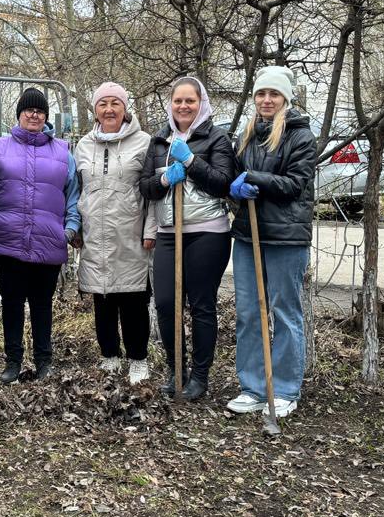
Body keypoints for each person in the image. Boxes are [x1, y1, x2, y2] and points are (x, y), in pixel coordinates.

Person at [139, 75, 236, 401]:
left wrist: (191, 161)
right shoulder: (159, 141)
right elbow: (145, 187)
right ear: (171, 104)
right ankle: (176, 369)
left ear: (201, 103)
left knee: (201, 305)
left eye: (190, 101)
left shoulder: (217, 138)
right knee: (166, 304)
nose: (183, 106)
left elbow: (222, 183)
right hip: (169, 232)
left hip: (207, 232)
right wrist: (165, 179)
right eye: (178, 101)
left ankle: (199, 376)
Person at [226, 67, 316, 418]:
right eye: (261, 94)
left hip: (286, 238)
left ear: (285, 99)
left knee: (284, 312)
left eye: (274, 94)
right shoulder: (247, 135)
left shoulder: (300, 136)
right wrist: (235, 188)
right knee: (249, 313)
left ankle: (285, 390)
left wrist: (253, 178)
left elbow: (294, 184)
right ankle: (252, 387)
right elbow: (233, 176)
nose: (266, 100)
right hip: (248, 235)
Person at [0, 87, 81, 383]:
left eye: (40, 111)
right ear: (19, 114)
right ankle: (13, 362)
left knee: (42, 304)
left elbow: (73, 195)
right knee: (11, 303)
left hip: (49, 242)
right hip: (7, 240)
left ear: (46, 116)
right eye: (28, 110)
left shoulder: (63, 152)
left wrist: (69, 229)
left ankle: (43, 362)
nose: (34, 115)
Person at [75, 82, 156, 384]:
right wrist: (76, 226)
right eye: (103, 104)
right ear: (95, 110)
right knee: (103, 298)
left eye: (115, 103)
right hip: (95, 234)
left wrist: (151, 229)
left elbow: (152, 194)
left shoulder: (144, 143)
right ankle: (109, 354)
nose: (109, 109)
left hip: (130, 233)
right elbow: (77, 190)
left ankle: (138, 358)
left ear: (125, 108)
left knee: (133, 298)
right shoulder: (83, 145)